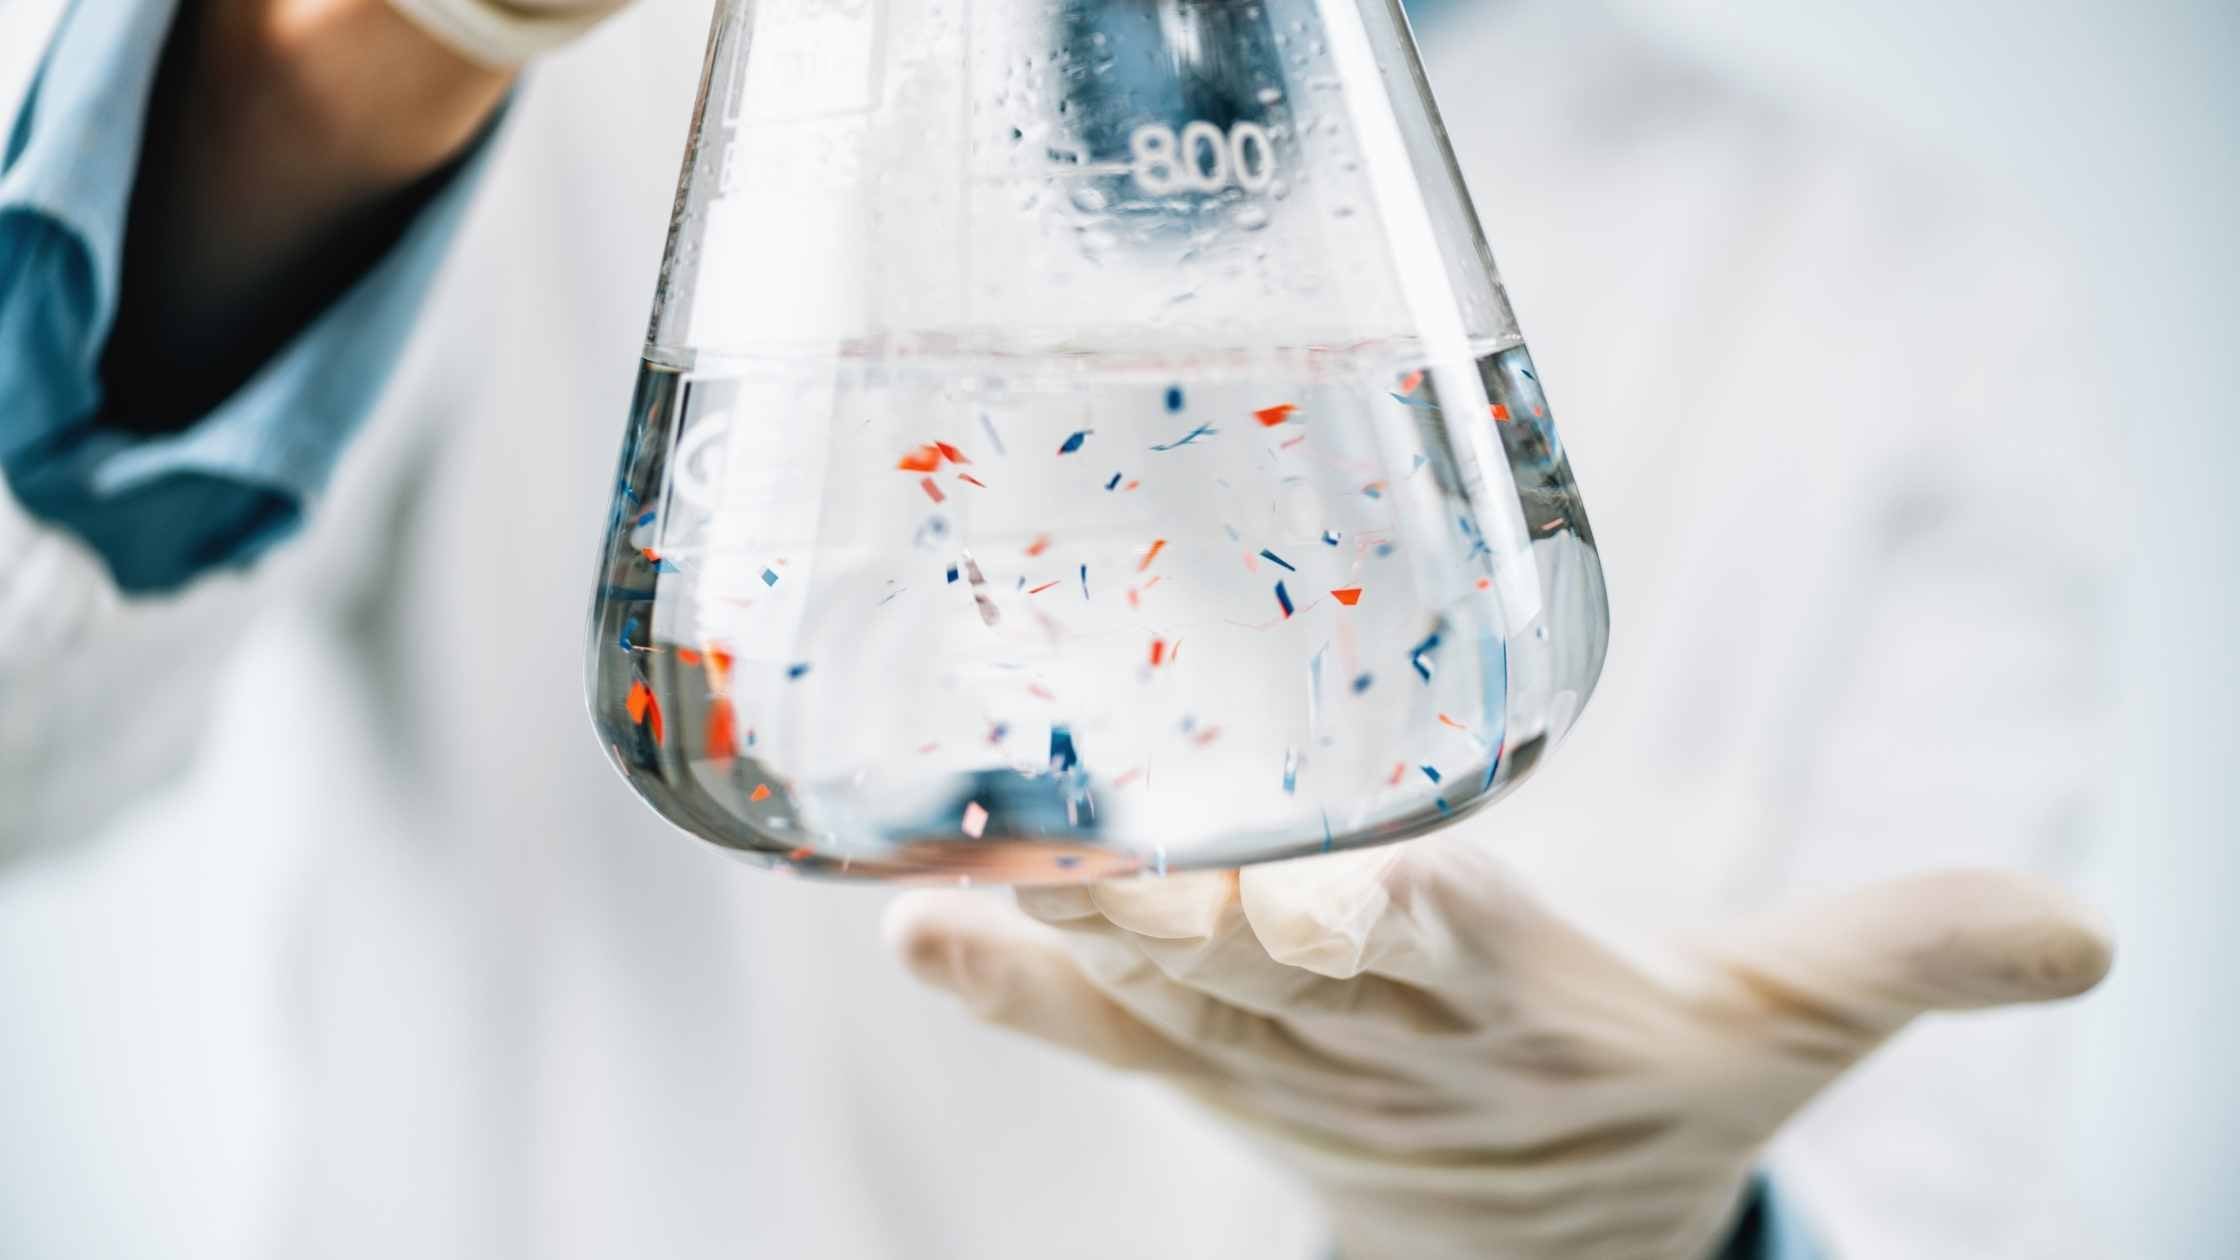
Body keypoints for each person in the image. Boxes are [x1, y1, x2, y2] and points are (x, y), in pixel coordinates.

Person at [0, 0, 2117, 1256]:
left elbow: (1909, 1185)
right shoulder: (614, 94)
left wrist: (1667, 1233)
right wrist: (341, 69)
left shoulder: (1886, 289)